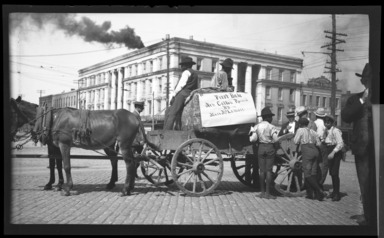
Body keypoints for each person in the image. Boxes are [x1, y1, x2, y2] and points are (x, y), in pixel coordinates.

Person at [341, 63, 376, 226]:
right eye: (367, 80)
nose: (370, 82)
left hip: (379, 150)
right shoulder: (355, 99)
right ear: (363, 82)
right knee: (365, 184)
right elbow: (346, 117)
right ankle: (369, 217)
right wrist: (363, 100)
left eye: (373, 80)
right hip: (362, 149)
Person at [249, 107, 279, 199]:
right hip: (270, 148)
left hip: (261, 148)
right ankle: (268, 193)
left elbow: (253, 139)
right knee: (269, 171)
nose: (272, 119)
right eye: (271, 117)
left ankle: (262, 192)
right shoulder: (271, 127)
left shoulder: (257, 126)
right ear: (268, 117)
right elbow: (276, 139)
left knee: (262, 171)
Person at [293, 117, 326, 201]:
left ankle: (319, 190)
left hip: (307, 152)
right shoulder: (313, 132)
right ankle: (313, 194)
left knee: (307, 174)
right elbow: (318, 143)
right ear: (307, 124)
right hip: (315, 151)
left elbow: (296, 141)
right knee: (313, 173)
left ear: (300, 124)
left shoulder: (300, 130)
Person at [163, 56, 199, 130]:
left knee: (172, 113)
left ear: (186, 65)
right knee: (176, 112)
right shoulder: (195, 74)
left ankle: (166, 131)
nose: (181, 67)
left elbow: (180, 85)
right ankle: (178, 129)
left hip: (183, 93)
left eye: (182, 65)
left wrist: (173, 95)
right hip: (190, 94)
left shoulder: (186, 72)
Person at [323, 114, 344, 202]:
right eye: (325, 122)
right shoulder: (326, 130)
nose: (326, 124)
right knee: (332, 172)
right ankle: (334, 192)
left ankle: (337, 194)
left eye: (328, 122)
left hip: (335, 151)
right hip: (328, 149)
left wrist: (333, 152)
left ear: (332, 123)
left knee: (335, 173)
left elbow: (340, 143)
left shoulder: (336, 131)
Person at [313, 108, 328, 187]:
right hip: (321, 143)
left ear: (316, 115)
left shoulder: (314, 123)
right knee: (323, 163)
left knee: (315, 163)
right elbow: (321, 135)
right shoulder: (324, 124)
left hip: (313, 144)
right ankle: (320, 182)